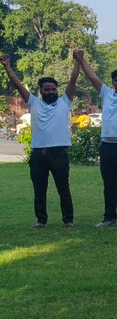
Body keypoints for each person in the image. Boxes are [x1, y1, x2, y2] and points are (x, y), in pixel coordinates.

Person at [3, 53, 78, 229]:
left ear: (57, 90)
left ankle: (68, 220)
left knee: (63, 188)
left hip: (59, 153)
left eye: (53, 89)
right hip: (39, 154)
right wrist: (7, 67)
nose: (51, 92)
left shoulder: (65, 102)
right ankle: (41, 220)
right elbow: (17, 84)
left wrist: (78, 62)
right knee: (39, 189)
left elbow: (73, 81)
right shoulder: (33, 102)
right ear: (41, 91)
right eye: (47, 89)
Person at [75, 50, 117, 229]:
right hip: (107, 146)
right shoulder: (106, 93)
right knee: (109, 185)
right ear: (112, 82)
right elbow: (92, 77)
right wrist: (81, 60)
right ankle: (110, 218)